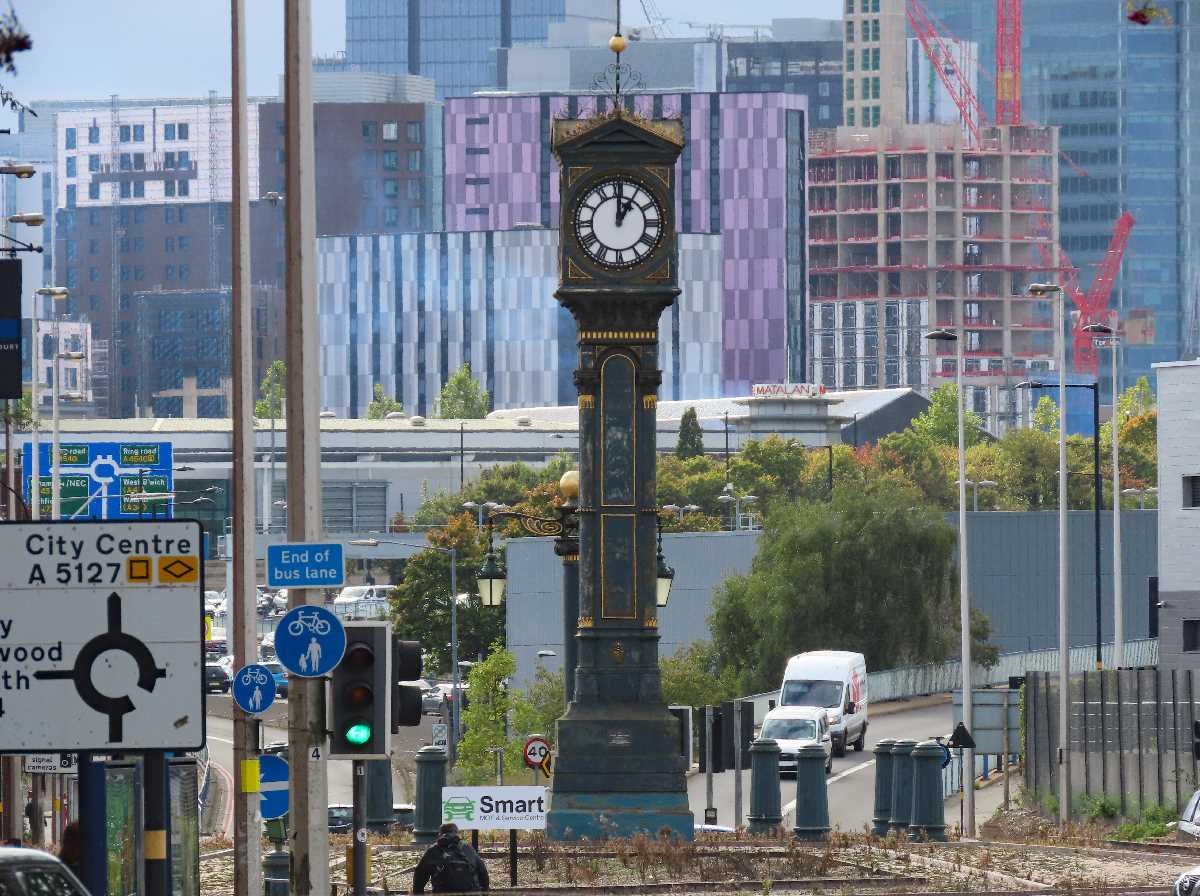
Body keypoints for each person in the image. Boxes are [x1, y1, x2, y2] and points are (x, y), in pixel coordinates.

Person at [412, 823, 488, 893]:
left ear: (440, 834)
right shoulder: (467, 848)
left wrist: (418, 892)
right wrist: (484, 891)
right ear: (456, 833)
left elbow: (419, 876)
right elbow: (483, 872)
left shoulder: (433, 850)